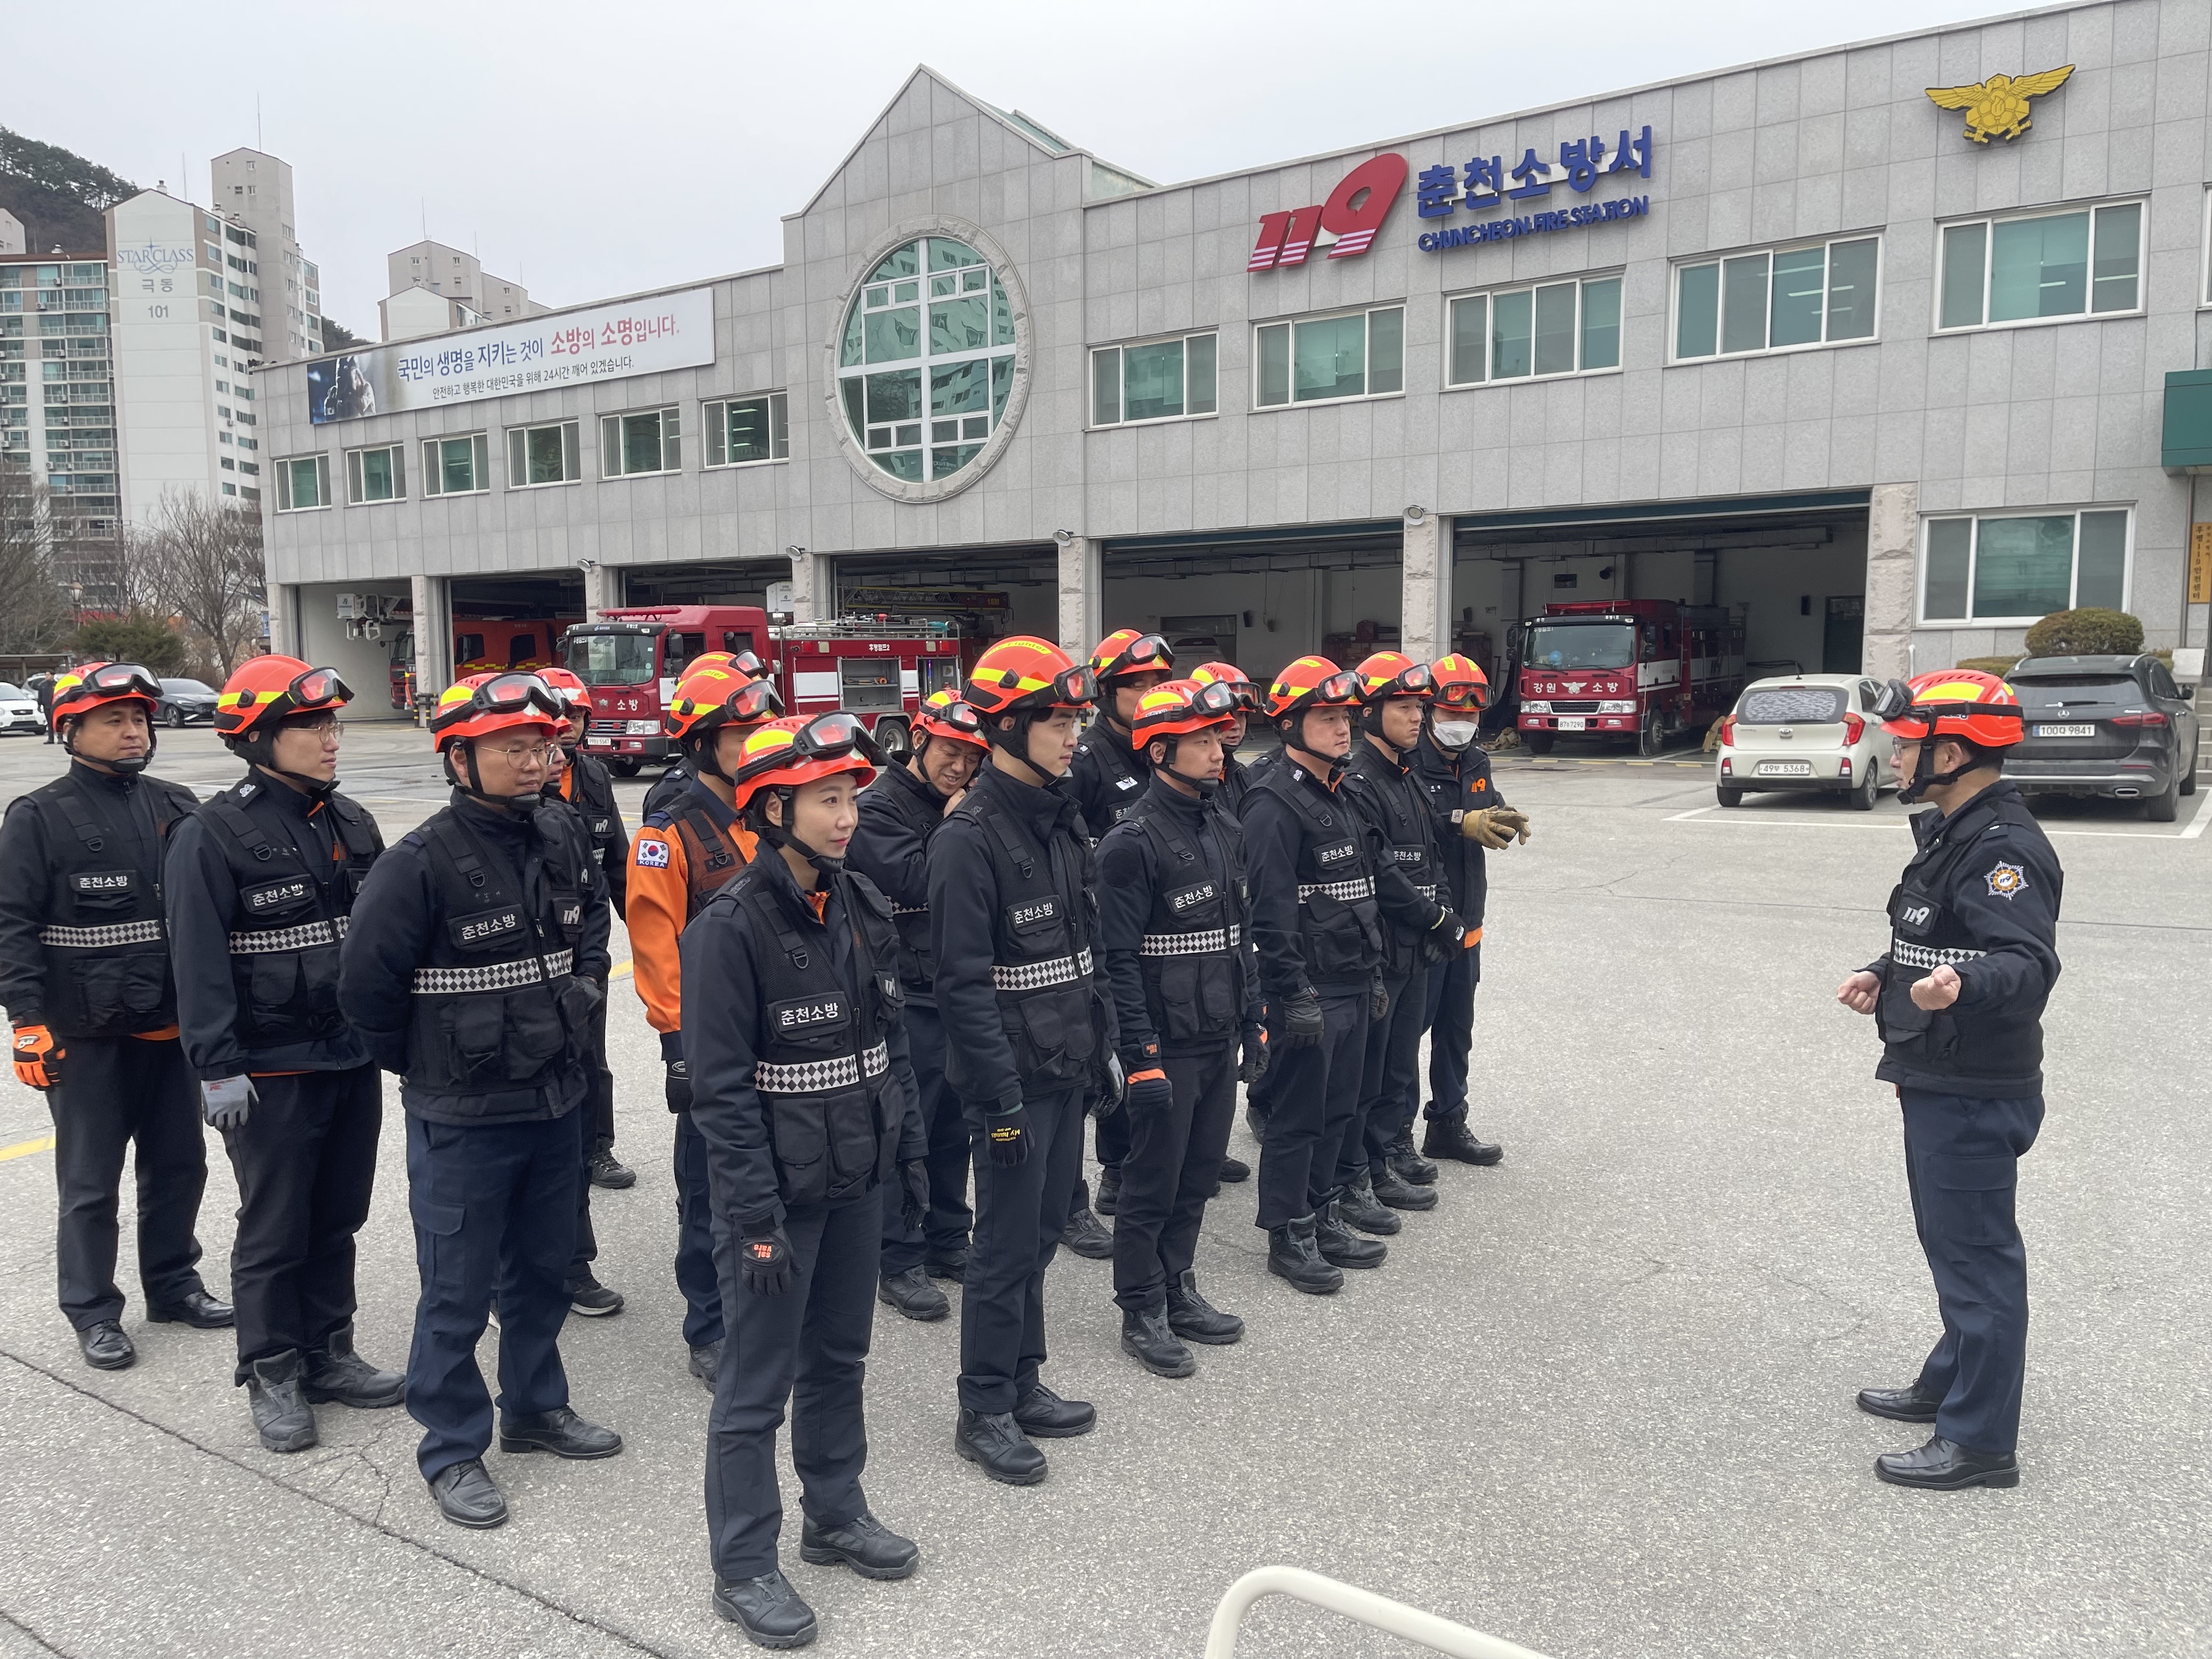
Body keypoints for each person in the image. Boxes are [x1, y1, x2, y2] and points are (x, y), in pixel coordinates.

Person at [338, 672, 622, 1531]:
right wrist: (430, 1065)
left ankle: (535, 1408)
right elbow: (366, 994)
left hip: (556, 1101)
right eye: (512, 748)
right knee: (457, 1290)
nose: (534, 762)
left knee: (540, 1273)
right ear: (459, 760)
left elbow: (594, 922)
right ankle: (452, 1446)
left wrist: (584, 988)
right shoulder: (416, 865)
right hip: (462, 1116)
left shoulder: (562, 832)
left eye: (542, 747)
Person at [681, 712, 928, 1646]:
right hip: (775, 1201)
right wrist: (752, 1219)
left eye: (851, 796)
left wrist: (906, 1152)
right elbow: (719, 1094)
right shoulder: (728, 930)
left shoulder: (858, 901)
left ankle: (835, 1512)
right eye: (827, 799)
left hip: (856, 1180)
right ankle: (744, 1564)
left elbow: (889, 1041)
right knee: (755, 1387)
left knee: (839, 1359)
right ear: (773, 808)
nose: (848, 815)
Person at [165, 657, 401, 1452]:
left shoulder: (353, 822)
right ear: (257, 737)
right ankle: (271, 1370)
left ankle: (329, 1353)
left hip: (349, 1058)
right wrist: (216, 1066)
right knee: (274, 1227)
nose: (331, 739)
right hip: (269, 1070)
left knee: (339, 1215)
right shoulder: (209, 835)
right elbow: (197, 963)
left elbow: (379, 945)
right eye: (310, 726)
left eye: (332, 724)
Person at [1835, 669, 2060, 1491]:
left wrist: (1960, 987)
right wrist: (1884, 970)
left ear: (1954, 754)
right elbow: (1939, 932)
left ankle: (1980, 1443)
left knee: (1978, 1262)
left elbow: (2026, 963)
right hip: (1938, 1072)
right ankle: (1951, 1380)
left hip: (1973, 1089)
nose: (1894, 758)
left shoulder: (2003, 849)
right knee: (1950, 1244)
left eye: (1905, 747)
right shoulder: (1955, 831)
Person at [1, 662, 230, 1370]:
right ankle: (94, 1310)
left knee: (180, 1165)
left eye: (139, 719)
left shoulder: (177, 804)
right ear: (69, 730)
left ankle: (173, 1285)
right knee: (90, 1183)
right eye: (114, 720)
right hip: (84, 1035)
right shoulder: (37, 816)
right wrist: (27, 1021)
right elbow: (12, 927)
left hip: (169, 1029)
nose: (133, 732)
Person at [931, 635, 1118, 1484]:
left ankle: (1022, 1378)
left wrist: (1103, 1049)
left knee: (1041, 1234)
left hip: (1064, 1065)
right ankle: (983, 1407)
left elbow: (1084, 950)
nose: (1074, 735)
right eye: (1056, 721)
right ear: (1007, 726)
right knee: (1005, 1245)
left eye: (1076, 720)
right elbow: (963, 987)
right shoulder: (968, 838)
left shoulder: (1058, 817)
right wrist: (1000, 1100)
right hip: (1011, 1082)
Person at [1094, 677, 1260, 1378]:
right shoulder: (1130, 844)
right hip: (1167, 1045)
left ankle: (1177, 1287)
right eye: (1201, 740)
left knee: (1196, 1178)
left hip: (1217, 1036)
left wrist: (1253, 1021)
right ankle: (1141, 1308)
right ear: (1160, 750)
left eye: (1217, 737)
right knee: (1151, 1184)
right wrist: (1140, 1057)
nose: (1218, 750)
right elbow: (1116, 962)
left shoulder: (1223, 825)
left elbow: (1239, 937)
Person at [626, 659, 783, 1389]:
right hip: (710, 1045)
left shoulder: (770, 814)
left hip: (776, 1036)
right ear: (700, 743)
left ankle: (767, 1308)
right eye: (741, 734)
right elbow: (656, 948)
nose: (756, 744)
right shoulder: (669, 835)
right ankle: (710, 1327)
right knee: (708, 1192)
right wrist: (680, 1047)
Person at [1239, 656, 1387, 1295]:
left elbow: (1361, 890)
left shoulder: (1341, 791)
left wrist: (1372, 973)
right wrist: (1291, 992)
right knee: (1299, 1116)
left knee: (1339, 1109)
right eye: (1325, 717)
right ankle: (1289, 1232)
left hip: (1351, 976)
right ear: (1289, 724)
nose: (1342, 728)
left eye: (1344, 717)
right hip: (1309, 989)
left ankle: (1323, 1213)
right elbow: (1269, 913)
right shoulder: (1273, 803)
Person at [848, 689, 986, 1323]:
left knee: (956, 1125)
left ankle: (948, 1238)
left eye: (972, 758)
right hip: (906, 997)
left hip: (958, 989)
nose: (960, 767)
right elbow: (918, 881)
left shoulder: (959, 803)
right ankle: (898, 1258)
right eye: (950, 752)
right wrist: (960, 823)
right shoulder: (878, 808)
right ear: (921, 741)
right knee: (909, 1130)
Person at [1333, 652, 1475, 1231]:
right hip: (1386, 945)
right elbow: (1382, 871)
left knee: (1398, 1062)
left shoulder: (1407, 773)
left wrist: (1445, 913)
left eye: (1420, 706)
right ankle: (1363, 1168)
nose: (1418, 716)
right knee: (1370, 1068)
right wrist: (1434, 918)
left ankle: (1392, 1148)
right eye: (1404, 706)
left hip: (1418, 947)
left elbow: (1432, 857)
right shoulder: (1360, 780)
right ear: (1369, 713)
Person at [1062, 629, 1177, 1252]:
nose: (1150, 693)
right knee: (1104, 1059)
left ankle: (1145, 1156)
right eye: (1137, 685)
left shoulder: (1157, 748)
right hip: (1101, 934)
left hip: (1160, 934)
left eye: (1159, 683)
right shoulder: (1087, 761)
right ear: (1107, 692)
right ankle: (1102, 1178)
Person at [1406, 654, 1525, 1172]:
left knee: (1456, 1031)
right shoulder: (1407, 759)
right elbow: (1408, 821)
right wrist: (1460, 821)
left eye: (1472, 716)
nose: (1463, 724)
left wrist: (1502, 813)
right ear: (1430, 710)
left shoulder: (1476, 758)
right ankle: (1390, 1137)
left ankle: (1448, 1124)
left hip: (1468, 917)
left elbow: (1485, 803)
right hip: (1423, 921)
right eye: (1454, 714)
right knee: (1406, 1034)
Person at [541, 667, 634, 1192]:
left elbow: (618, 863)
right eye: (560, 715)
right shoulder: (522, 783)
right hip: (541, 942)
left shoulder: (595, 776)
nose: (569, 725)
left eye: (577, 715)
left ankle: (598, 1149)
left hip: (589, 940)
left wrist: (643, 931)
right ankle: (554, 1155)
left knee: (592, 1053)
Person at [1183, 661, 1260, 1193]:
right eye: (1220, 720)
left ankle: (1208, 1149)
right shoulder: (1183, 775)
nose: (1234, 726)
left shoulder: (1243, 777)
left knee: (1226, 1043)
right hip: (1187, 928)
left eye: (1240, 716)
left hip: (1235, 919)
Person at [641, 648, 770, 818]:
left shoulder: (764, 794)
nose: (759, 748)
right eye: (746, 739)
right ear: (701, 744)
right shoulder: (674, 794)